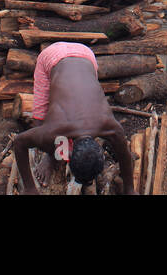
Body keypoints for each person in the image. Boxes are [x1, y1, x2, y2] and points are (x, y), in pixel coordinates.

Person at [11, 41, 135, 194]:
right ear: (68, 153)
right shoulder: (51, 133)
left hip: (86, 56)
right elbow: (19, 142)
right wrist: (30, 188)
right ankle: (50, 157)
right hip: (53, 57)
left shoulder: (111, 127)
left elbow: (124, 154)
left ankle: (57, 157)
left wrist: (130, 190)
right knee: (39, 121)